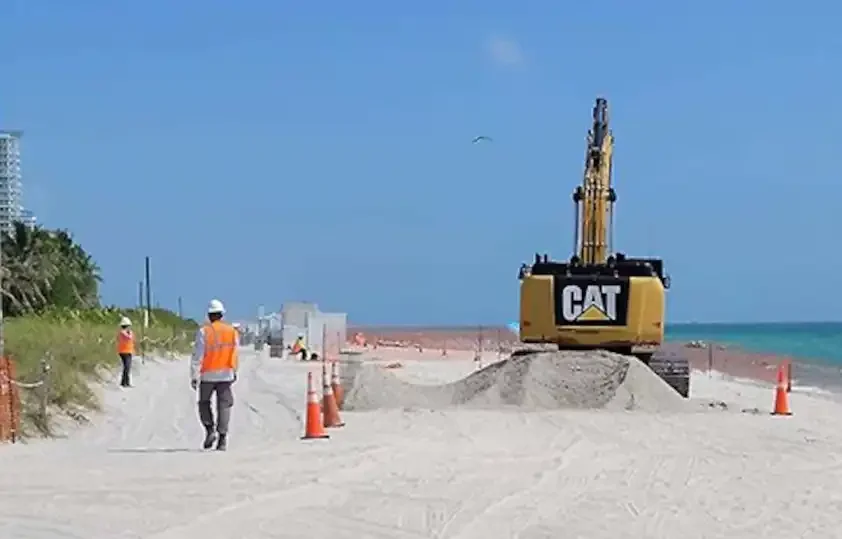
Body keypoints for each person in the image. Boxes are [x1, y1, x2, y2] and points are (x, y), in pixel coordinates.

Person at [190, 299, 239, 451]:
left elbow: (198, 355)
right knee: (224, 405)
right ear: (222, 315)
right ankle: (222, 439)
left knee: (204, 403)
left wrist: (194, 375)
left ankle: (210, 430)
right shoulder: (232, 331)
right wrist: (234, 371)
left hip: (207, 375)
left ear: (209, 315)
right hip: (226, 374)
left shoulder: (204, 331)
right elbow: (235, 353)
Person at [116, 317, 135, 388]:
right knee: (127, 367)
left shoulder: (128, 332)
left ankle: (126, 382)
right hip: (123, 352)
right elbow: (129, 337)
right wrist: (130, 333)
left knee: (127, 367)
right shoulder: (122, 332)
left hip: (129, 351)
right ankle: (124, 382)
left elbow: (132, 339)